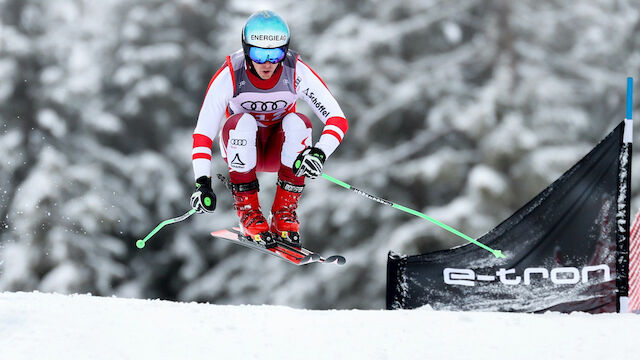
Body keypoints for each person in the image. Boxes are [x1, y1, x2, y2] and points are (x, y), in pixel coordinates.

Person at [189, 10, 349, 247]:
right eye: (258, 54)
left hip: (281, 152)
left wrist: (320, 152)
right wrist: (202, 182)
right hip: (240, 149)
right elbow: (203, 134)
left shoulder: (296, 71)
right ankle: (248, 211)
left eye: (275, 55)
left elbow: (337, 118)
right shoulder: (231, 75)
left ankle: (284, 213)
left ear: (285, 50)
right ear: (246, 50)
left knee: (299, 122)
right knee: (242, 122)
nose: (267, 63)